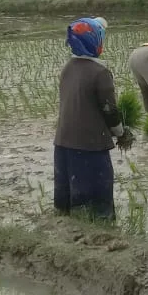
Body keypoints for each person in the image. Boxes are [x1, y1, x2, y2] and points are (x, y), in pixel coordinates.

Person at [53, 16, 133, 220]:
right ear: (94, 42)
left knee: (67, 206)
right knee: (97, 210)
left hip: (63, 144)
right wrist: (121, 133)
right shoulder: (100, 73)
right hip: (89, 147)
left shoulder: (68, 68)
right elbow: (109, 110)